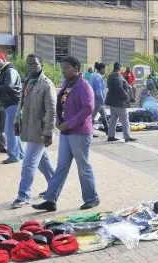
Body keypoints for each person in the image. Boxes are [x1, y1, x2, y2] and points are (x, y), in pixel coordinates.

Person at [32, 56, 99, 211]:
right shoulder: (67, 85)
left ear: (76, 69)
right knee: (61, 167)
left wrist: (68, 123)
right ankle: (50, 200)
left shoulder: (84, 86)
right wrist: (59, 120)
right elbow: (61, 105)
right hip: (66, 133)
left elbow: (88, 108)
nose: (63, 71)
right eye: (62, 68)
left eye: (66, 68)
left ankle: (92, 198)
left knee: (83, 166)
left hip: (79, 133)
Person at [10, 54, 56, 209]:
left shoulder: (46, 84)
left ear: (41, 65)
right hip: (28, 128)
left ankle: (23, 196)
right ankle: (54, 187)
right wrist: (16, 121)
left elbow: (51, 111)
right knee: (44, 163)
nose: (30, 67)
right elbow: (20, 105)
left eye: (34, 64)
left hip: (40, 131)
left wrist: (48, 132)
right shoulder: (27, 82)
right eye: (28, 64)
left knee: (28, 164)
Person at [0, 53, 24, 164]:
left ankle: (14, 156)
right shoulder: (5, 71)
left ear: (4, 60)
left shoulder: (9, 71)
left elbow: (9, 86)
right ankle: (19, 154)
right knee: (14, 131)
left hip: (13, 103)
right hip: (12, 104)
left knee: (9, 131)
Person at [105, 62, 137, 142]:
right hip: (119, 102)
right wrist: (126, 96)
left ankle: (111, 136)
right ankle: (127, 136)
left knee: (113, 120)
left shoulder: (111, 76)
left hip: (113, 102)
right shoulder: (117, 76)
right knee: (125, 119)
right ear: (120, 68)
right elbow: (118, 87)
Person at [90, 62, 108, 137]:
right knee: (92, 116)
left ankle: (108, 130)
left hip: (98, 99)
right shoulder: (97, 77)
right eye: (105, 69)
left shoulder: (96, 76)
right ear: (102, 69)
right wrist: (102, 100)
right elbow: (98, 91)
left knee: (104, 115)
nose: (105, 71)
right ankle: (89, 132)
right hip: (97, 100)